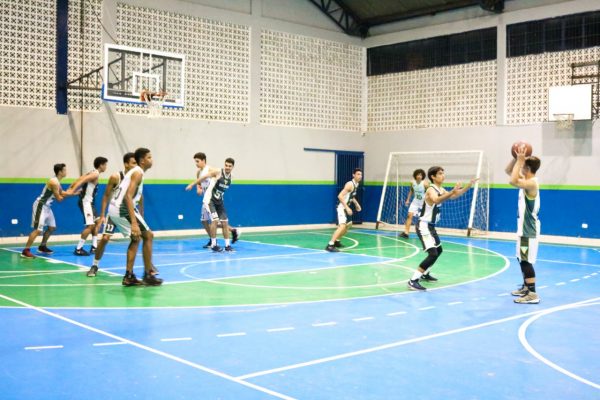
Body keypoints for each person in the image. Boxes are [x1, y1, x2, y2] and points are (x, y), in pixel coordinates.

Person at [407, 166, 477, 291]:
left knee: (439, 251)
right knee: (433, 254)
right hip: (424, 225)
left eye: (443, 173)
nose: (443, 175)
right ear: (433, 177)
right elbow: (435, 199)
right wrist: (451, 191)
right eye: (440, 173)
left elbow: (454, 196)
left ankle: (425, 273)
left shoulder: (440, 189)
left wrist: (468, 185)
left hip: (431, 226)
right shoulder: (430, 189)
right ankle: (413, 280)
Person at [107, 148, 162, 286]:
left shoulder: (136, 172)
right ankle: (148, 274)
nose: (151, 160)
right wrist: (134, 222)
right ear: (142, 160)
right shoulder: (137, 173)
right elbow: (128, 197)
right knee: (148, 235)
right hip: (122, 208)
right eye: (149, 157)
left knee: (136, 239)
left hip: (115, 208)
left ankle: (129, 276)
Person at [86, 153, 137, 277]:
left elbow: (140, 197)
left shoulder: (136, 177)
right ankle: (94, 265)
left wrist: (140, 214)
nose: (135, 166)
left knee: (138, 237)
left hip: (128, 213)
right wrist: (102, 215)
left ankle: (133, 271)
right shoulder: (116, 177)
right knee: (104, 239)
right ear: (126, 164)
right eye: (133, 163)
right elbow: (105, 196)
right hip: (114, 212)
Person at [505, 145, 541, 304]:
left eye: (522, 166)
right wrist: (516, 157)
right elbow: (508, 172)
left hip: (528, 230)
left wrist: (520, 161)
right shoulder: (526, 180)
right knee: (521, 259)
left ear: (526, 168)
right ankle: (526, 287)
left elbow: (512, 180)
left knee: (526, 261)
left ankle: (532, 294)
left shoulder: (532, 183)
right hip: (523, 230)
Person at [21, 164, 79, 258]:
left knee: (52, 227)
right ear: (60, 171)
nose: (66, 172)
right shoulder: (54, 182)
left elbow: (62, 193)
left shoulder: (57, 181)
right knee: (38, 230)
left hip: (47, 207)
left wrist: (75, 193)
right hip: (40, 206)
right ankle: (26, 250)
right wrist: (71, 189)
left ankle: (42, 246)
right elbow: (59, 198)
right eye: (64, 170)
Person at [186, 152, 239, 248]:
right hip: (207, 198)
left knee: (215, 221)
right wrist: (197, 187)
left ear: (203, 160)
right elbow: (200, 181)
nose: (196, 164)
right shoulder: (198, 172)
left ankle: (219, 240)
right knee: (205, 221)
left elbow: (217, 176)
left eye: (197, 161)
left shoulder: (212, 170)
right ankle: (216, 239)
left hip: (212, 198)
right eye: (195, 162)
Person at [70, 157, 108, 256]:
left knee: (96, 223)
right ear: (101, 165)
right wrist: (72, 190)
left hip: (90, 202)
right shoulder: (95, 174)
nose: (106, 167)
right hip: (86, 202)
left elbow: (79, 179)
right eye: (105, 164)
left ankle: (94, 247)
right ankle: (78, 249)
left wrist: (72, 186)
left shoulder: (92, 172)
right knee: (90, 226)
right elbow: (82, 181)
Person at [326, 168, 362, 252]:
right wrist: (347, 207)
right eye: (358, 174)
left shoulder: (356, 184)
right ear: (353, 175)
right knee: (342, 226)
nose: (360, 176)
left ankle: (337, 241)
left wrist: (356, 204)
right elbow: (340, 196)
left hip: (346, 207)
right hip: (342, 208)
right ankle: (330, 245)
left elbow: (352, 196)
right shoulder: (350, 184)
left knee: (349, 225)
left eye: (361, 174)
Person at [399, 168, 428, 239]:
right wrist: (408, 200)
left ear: (422, 176)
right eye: (418, 174)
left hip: (423, 203)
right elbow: (411, 191)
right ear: (415, 175)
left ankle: (424, 234)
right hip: (415, 202)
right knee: (409, 215)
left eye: (421, 175)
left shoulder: (425, 183)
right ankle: (406, 233)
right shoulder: (412, 182)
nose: (419, 176)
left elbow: (429, 192)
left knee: (423, 219)